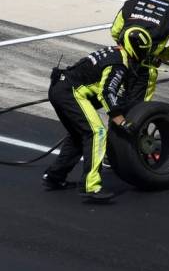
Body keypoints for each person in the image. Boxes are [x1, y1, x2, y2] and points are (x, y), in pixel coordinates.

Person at [42, 28, 153, 201]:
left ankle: (55, 177)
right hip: (71, 93)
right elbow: (106, 92)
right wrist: (121, 121)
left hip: (59, 88)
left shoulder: (114, 51)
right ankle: (91, 186)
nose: (143, 55)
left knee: (79, 136)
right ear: (135, 48)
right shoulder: (119, 63)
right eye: (143, 51)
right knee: (97, 132)